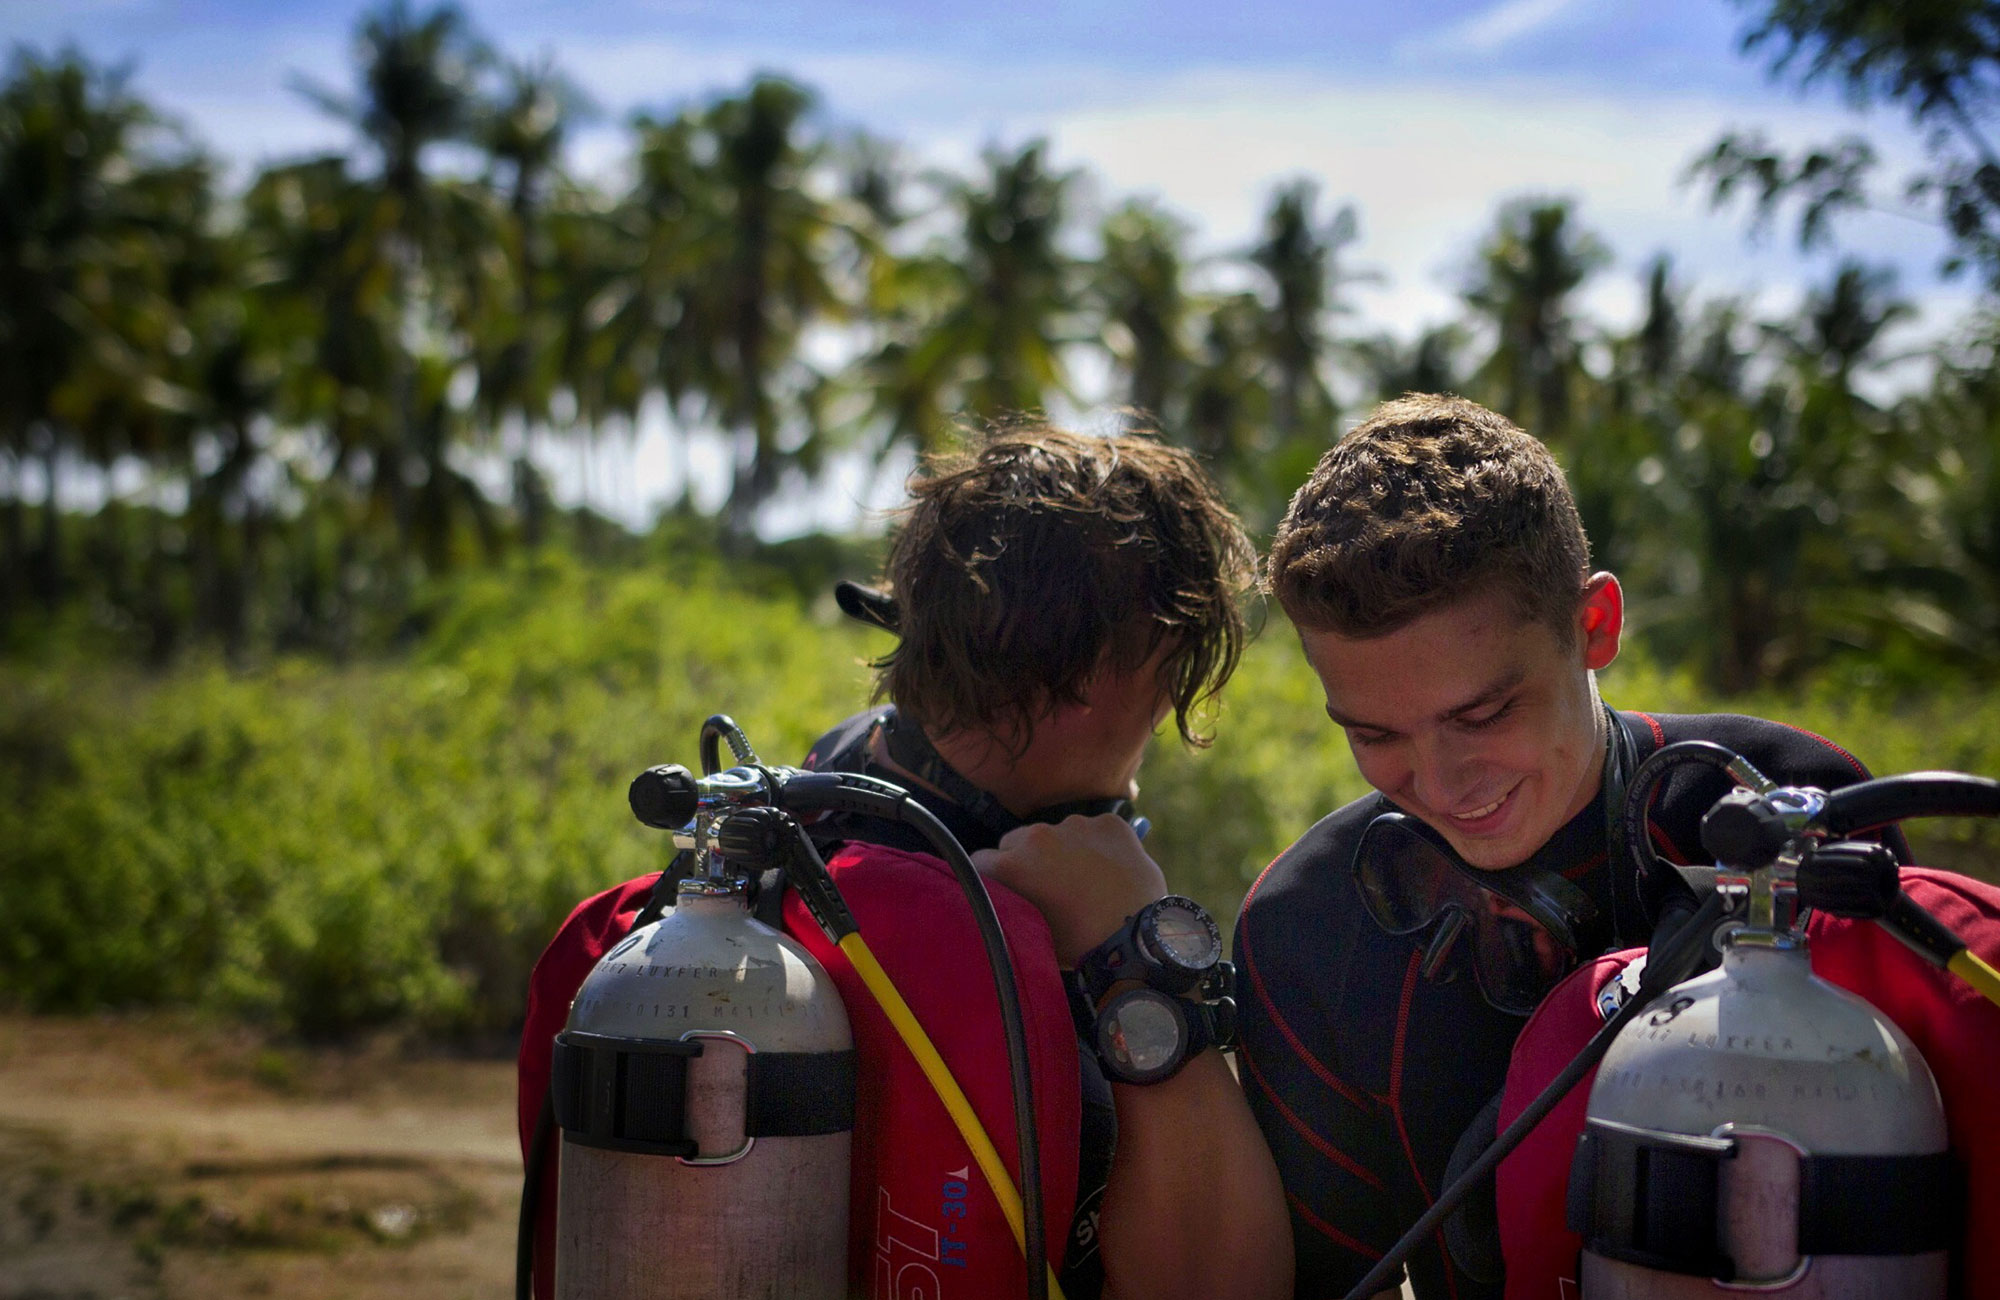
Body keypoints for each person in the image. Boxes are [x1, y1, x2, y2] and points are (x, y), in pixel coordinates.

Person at [1230, 392, 2000, 1298]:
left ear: (1594, 627)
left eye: (1484, 714)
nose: (1439, 784)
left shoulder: (1792, 796)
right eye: (1375, 736)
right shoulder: (1309, 927)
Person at [516, 424, 1291, 1300]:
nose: (1165, 705)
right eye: (1171, 661)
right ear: (1096, 679)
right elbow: (1226, 1282)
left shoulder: (810, 809)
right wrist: (1141, 964)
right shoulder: (995, 929)